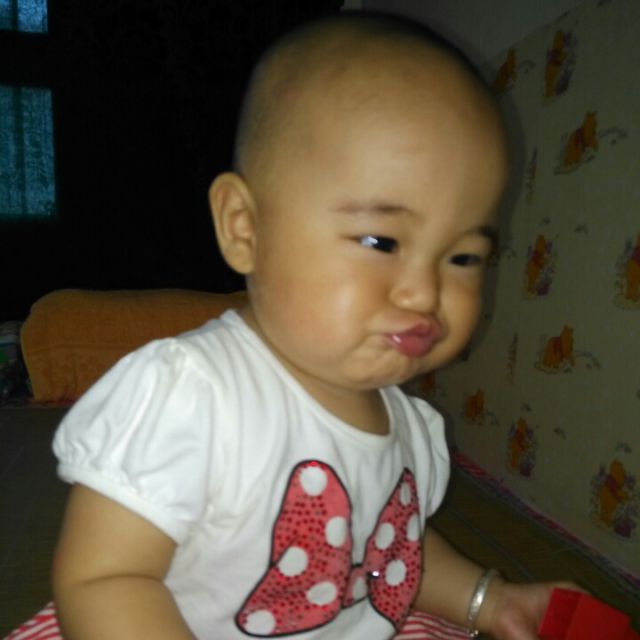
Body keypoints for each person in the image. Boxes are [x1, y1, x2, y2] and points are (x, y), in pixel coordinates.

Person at [47, 11, 576, 640]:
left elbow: (390, 554)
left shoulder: (411, 429)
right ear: (245, 228)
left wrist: (488, 600)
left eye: (463, 257)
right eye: (382, 241)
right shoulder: (193, 396)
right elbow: (104, 579)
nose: (425, 291)